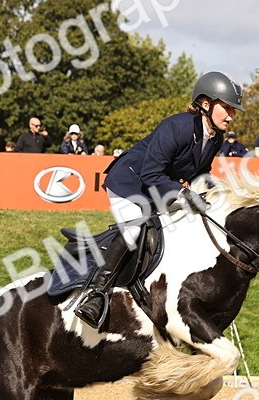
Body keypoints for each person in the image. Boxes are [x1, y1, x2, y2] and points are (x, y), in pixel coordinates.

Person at [73, 71, 243, 327]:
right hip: (129, 184)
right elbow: (151, 172)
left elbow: (201, 173)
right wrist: (185, 193)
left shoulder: (215, 137)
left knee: (190, 223)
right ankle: (96, 295)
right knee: (134, 230)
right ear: (206, 104)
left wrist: (215, 193)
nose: (232, 115)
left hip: (158, 188)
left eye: (234, 110)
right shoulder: (177, 127)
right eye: (227, 108)